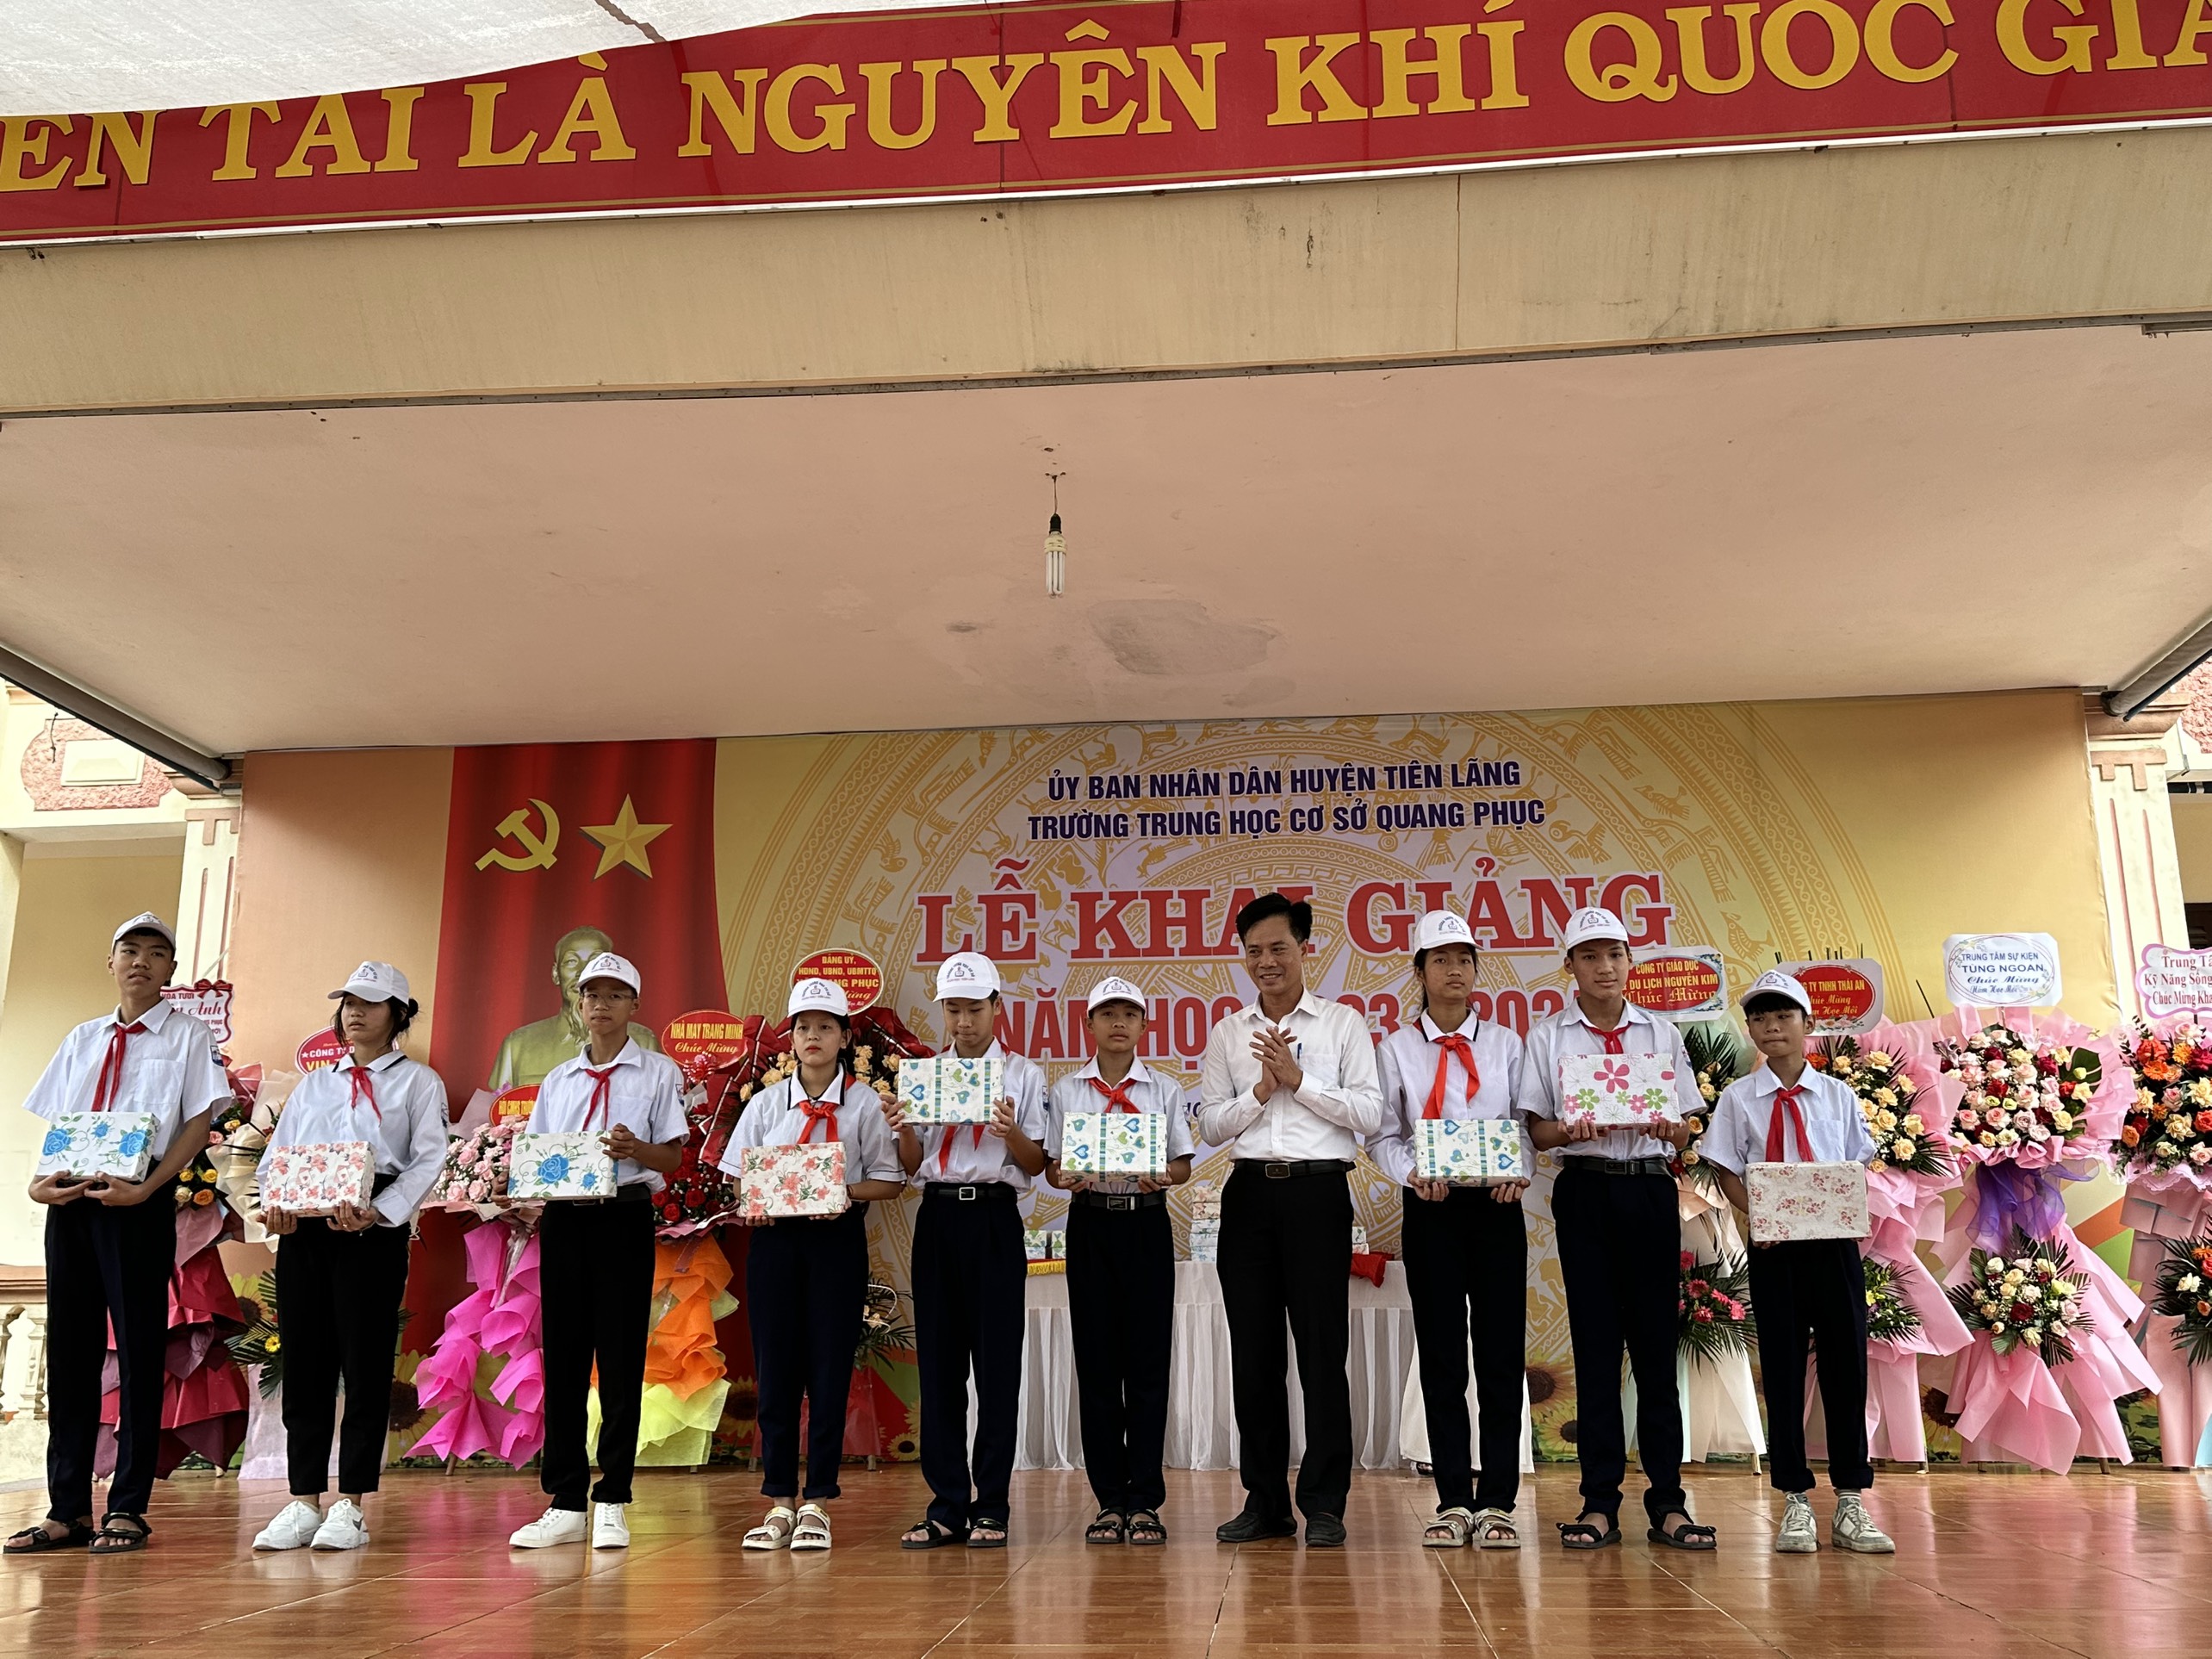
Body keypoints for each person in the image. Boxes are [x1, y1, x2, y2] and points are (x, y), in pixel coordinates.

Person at [8, 913, 229, 1557]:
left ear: (170, 970)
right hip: (71, 1204)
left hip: (137, 1203)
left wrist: (151, 1187)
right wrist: (38, 1183)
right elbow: (59, 1122)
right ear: (110, 962)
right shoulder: (82, 1037)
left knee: (137, 1350)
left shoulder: (187, 1036)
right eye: (129, 951)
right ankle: (67, 1509)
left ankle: (128, 1506)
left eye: (156, 954)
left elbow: (197, 1124)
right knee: (69, 1353)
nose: (141, 962)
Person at [1518, 907, 1710, 1552]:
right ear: (1569, 966)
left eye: (1615, 955)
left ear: (1630, 962)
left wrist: (1673, 1128)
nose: (1604, 967)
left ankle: (1669, 1503)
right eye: (1590, 956)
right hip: (1585, 1190)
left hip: (1650, 1189)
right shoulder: (1549, 1038)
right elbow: (1537, 1132)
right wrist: (1568, 1128)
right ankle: (1598, 1502)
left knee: (1656, 1351)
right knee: (1596, 1350)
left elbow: (1684, 1127)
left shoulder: (1660, 1032)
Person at [1197, 892, 1382, 1549]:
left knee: (1323, 1353)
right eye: (1254, 951)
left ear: (1305, 949)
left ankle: (1325, 1503)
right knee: (1254, 1356)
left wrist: (1299, 1080)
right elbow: (1209, 1125)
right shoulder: (1228, 1032)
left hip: (1318, 1195)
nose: (1266, 961)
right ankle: (1265, 1502)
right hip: (1249, 1197)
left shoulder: (1342, 1024)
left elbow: (1370, 1114)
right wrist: (1260, 1090)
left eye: (1278, 948)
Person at [252, 961, 450, 1552]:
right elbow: (277, 1156)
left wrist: (382, 1211)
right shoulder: (315, 1085)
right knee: (305, 1362)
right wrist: (274, 1205)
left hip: (371, 1231)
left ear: (399, 1014)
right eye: (348, 1003)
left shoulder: (419, 1083)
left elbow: (429, 1157)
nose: (354, 1012)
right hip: (305, 1232)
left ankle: (353, 1502)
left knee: (364, 1363)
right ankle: (302, 1499)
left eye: (370, 1003)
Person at [1702, 969, 1893, 1556]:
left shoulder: (1837, 1095)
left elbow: (1856, 1164)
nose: (1771, 1026)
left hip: (1834, 1249)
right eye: (1759, 1018)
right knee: (1783, 1370)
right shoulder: (1738, 1099)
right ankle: (1794, 1499)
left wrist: (1835, 1207)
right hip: (1774, 1251)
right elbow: (1725, 1168)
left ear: (1808, 1024)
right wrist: (1760, 1218)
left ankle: (1852, 1499)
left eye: (1783, 1015)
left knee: (1845, 1367)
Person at [506, 952, 686, 1551]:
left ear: (635, 1005)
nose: (600, 1005)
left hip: (623, 1217)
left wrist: (637, 1148)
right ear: (578, 1003)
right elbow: (538, 1153)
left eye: (614, 994)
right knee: (563, 1356)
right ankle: (565, 1501)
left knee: (620, 1356)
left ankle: (613, 1497)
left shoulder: (657, 1072)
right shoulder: (558, 1079)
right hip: (564, 1221)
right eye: (591, 994)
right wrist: (521, 1187)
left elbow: (672, 1156)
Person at [723, 977, 906, 1552]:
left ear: (845, 1037)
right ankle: (779, 1500)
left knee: (829, 1368)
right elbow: (738, 1180)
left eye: (826, 1027)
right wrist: (753, 1205)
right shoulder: (763, 1104)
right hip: (774, 1245)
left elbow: (890, 1181)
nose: (813, 1036)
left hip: (836, 1244)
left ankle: (818, 1502)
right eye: (803, 1027)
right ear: (792, 1037)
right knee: (776, 1368)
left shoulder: (865, 1104)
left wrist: (843, 1192)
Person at [1370, 911, 1529, 1549]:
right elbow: (1383, 1134)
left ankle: (1498, 1502)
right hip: (1432, 1210)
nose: (1454, 970)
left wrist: (1518, 1169)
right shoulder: (1395, 1049)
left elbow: (1523, 1124)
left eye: (1464, 959)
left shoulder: (1507, 1044)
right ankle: (1454, 1499)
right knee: (1441, 1357)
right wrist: (1411, 1174)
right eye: (1440, 959)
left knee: (1500, 1355)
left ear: (1476, 970)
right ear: (1420, 972)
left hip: (1497, 1209)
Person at [884, 950, 1046, 1550]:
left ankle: (992, 1505)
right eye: (953, 1010)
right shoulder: (924, 1074)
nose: (963, 1022)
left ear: (997, 1007)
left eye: (974, 1009)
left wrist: (1011, 1132)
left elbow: (1038, 1164)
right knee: (940, 1366)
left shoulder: (1023, 1075)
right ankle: (947, 1504)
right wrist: (904, 1127)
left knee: (998, 1367)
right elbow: (910, 1166)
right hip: (939, 1216)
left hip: (995, 1219)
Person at [1042, 976, 1194, 1546]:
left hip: (1146, 1224)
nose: (1119, 1024)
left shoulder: (1165, 1089)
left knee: (1149, 1366)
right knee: (1098, 1365)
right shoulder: (1066, 1091)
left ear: (1144, 1025)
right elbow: (1053, 1167)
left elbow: (1182, 1165)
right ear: (1089, 1024)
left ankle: (1145, 1499)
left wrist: (1164, 1176)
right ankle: (1109, 1499)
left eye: (1129, 1014)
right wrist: (1064, 1177)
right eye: (1107, 1014)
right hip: (1091, 1225)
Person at [488, 925, 662, 1090]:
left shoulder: (642, 1041)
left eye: (595, 961)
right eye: (571, 961)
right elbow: (499, 1105)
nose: (582, 972)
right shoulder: (518, 1045)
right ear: (556, 974)